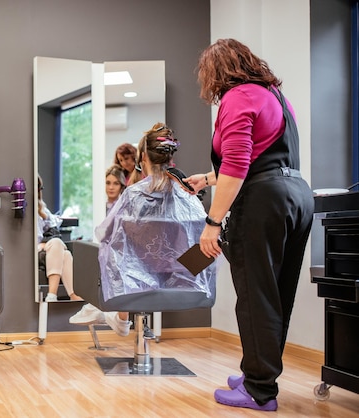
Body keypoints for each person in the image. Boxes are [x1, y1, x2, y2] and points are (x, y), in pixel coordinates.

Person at [184, 39, 314, 412]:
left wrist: (213, 221)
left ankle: (258, 390)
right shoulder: (274, 96)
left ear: (217, 72)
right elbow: (261, 156)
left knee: (256, 297)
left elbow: (239, 164)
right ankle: (259, 375)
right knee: (276, 293)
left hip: (263, 202)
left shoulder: (237, 97)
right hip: (296, 196)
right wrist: (207, 180)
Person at [70, 122, 213, 337]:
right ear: (170, 157)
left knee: (98, 247)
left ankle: (118, 316)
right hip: (182, 282)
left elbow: (105, 234)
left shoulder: (133, 194)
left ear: (143, 157)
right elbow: (203, 244)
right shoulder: (189, 196)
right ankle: (118, 316)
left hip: (135, 283)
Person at [37, 175, 83, 302]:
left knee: (66, 253)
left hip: (42, 248)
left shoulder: (41, 209)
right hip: (30, 250)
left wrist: (43, 243)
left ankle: (73, 296)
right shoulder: (23, 207)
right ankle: (52, 294)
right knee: (57, 243)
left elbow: (54, 226)